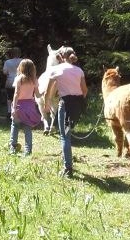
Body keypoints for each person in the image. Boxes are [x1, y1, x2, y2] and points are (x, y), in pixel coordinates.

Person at [44, 46, 87, 178]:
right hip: (78, 104)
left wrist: (46, 105)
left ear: (61, 57)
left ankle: (68, 168)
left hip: (65, 104)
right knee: (68, 132)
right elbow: (84, 91)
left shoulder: (56, 70)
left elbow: (47, 92)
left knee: (64, 136)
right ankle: (66, 158)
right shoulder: (79, 71)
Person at [8, 59, 42, 155]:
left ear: (21, 67)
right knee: (27, 128)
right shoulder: (34, 80)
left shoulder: (19, 79)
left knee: (15, 126)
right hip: (30, 105)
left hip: (19, 105)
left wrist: (14, 108)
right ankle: (28, 150)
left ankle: (13, 147)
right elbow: (38, 95)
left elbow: (16, 94)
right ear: (32, 69)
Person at [2, 47, 23, 119]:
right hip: (21, 81)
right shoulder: (23, 61)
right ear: (19, 54)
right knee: (20, 97)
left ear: (11, 54)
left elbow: (5, 72)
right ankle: (19, 112)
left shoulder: (7, 62)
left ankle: (9, 112)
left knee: (9, 98)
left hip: (10, 81)